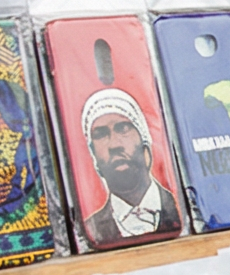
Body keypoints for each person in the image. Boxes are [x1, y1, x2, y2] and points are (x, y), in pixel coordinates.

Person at [78, 87, 183, 245]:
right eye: (101, 134)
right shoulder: (89, 232)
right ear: (94, 155)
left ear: (144, 143)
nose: (114, 145)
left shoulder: (183, 211)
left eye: (123, 129)